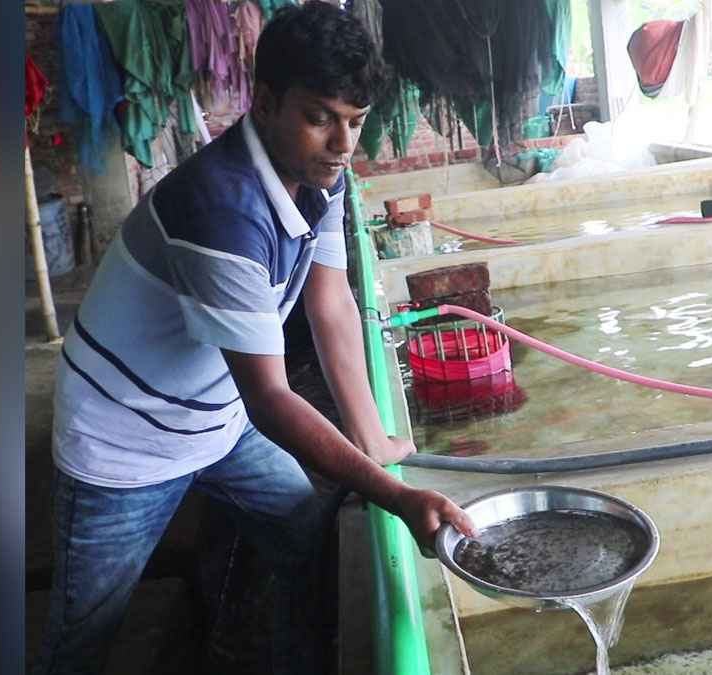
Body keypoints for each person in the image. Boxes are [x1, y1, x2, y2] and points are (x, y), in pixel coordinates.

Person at [33, 3, 475, 673]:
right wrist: (399, 496)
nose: (341, 143)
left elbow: (331, 302)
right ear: (264, 102)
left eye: (353, 122)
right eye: (320, 116)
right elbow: (270, 395)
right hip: (123, 441)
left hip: (216, 418)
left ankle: (289, 657)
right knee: (86, 633)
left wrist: (374, 442)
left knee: (302, 531)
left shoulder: (321, 175)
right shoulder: (223, 212)